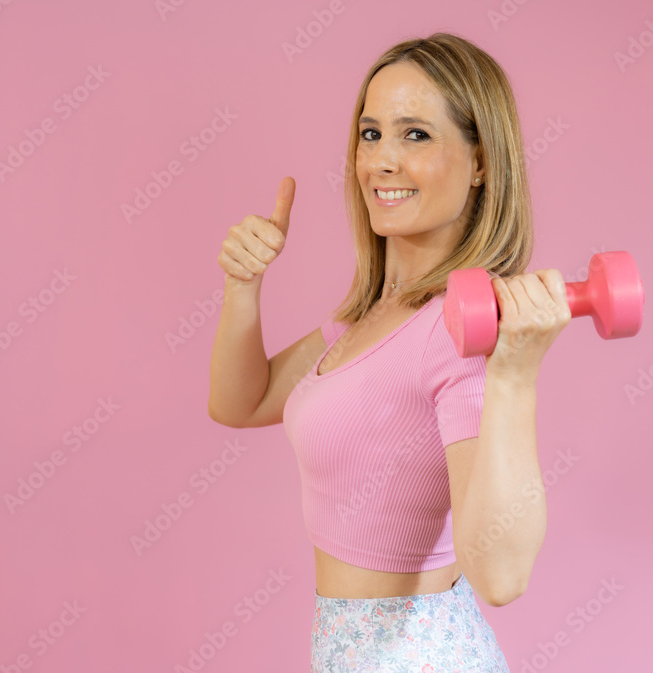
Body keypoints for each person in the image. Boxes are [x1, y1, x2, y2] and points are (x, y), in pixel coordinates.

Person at [208, 31, 571, 673]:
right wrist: (244, 286)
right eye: (371, 133)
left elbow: (502, 575)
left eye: (416, 135)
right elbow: (243, 401)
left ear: (482, 160)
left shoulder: (460, 332)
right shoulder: (377, 315)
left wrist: (514, 375)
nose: (380, 160)